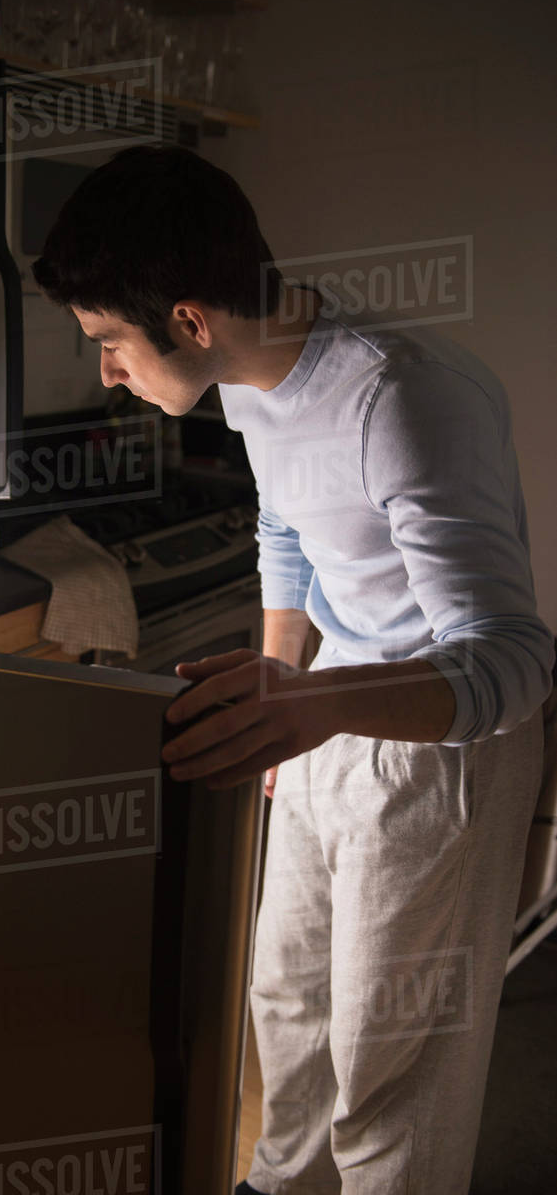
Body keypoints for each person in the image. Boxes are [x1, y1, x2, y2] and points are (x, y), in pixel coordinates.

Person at [32, 144, 554, 1194]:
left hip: (435, 741)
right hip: (326, 709)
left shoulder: (403, 398)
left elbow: (512, 662)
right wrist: (281, 686)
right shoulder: (251, 371)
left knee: (386, 1070)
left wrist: (304, 703)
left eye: (109, 343)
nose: (105, 372)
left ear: (188, 319)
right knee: (287, 1003)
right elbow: (288, 526)